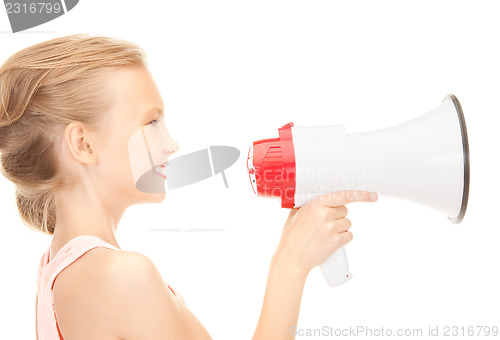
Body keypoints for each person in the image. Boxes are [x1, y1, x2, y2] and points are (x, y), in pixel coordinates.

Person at [0, 34, 378, 340]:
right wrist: (291, 265)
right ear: (83, 144)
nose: (171, 144)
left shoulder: (56, 267)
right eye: (151, 123)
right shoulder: (120, 275)